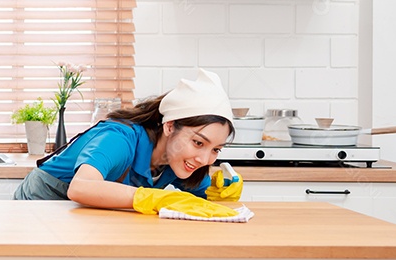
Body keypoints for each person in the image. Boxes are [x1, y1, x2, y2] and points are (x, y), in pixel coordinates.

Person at [14, 69, 244, 218]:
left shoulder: (182, 162)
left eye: (215, 149)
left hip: (87, 214)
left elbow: (199, 202)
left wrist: (218, 193)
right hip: (41, 205)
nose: (204, 159)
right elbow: (81, 187)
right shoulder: (119, 138)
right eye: (198, 143)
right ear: (170, 126)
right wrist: (152, 197)